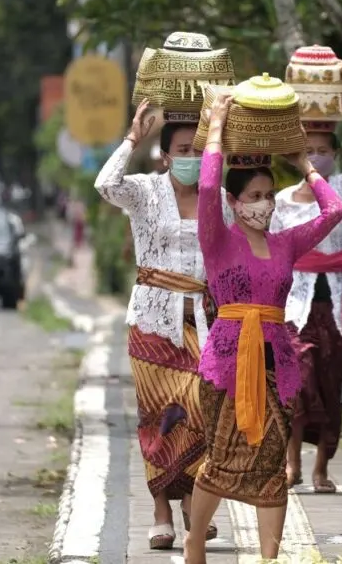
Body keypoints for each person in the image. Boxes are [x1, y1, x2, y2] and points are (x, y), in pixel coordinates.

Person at [184, 93, 342, 562]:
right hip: (226, 365)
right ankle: (196, 540)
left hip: (278, 363)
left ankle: (269, 556)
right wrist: (215, 126)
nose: (264, 204)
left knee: (273, 465)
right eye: (253, 197)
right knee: (221, 458)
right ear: (233, 202)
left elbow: (335, 212)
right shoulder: (216, 239)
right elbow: (207, 185)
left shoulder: (285, 243)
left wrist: (305, 166)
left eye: (268, 195)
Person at [94, 99, 233, 551]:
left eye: (198, 149)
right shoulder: (145, 191)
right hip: (152, 321)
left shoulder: (217, 197)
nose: (191, 158)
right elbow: (105, 183)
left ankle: (193, 497)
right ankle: (160, 510)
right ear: (166, 154)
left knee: (198, 408)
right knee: (157, 418)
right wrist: (134, 136)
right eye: (182, 150)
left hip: (203, 322)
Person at [269, 61, 342, 493]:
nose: (318, 156)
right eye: (308, 150)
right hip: (294, 307)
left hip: (333, 306)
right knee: (296, 384)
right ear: (299, 157)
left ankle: (321, 469)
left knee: (332, 388)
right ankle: (292, 463)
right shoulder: (279, 201)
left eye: (324, 149)